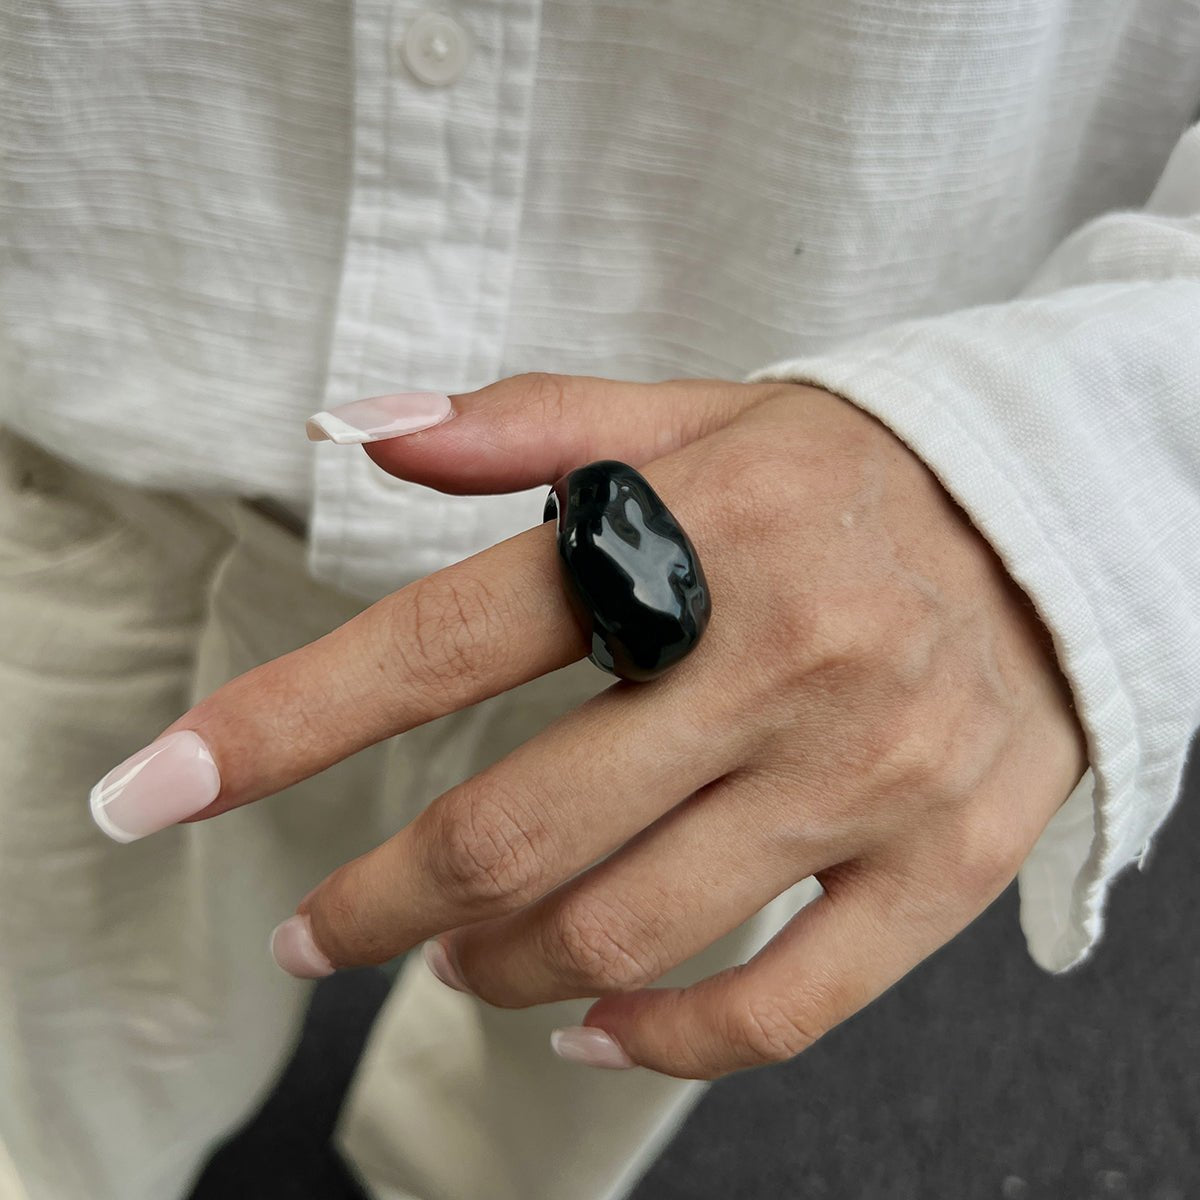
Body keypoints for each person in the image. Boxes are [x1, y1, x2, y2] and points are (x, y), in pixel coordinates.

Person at [2, 3, 1198, 1199]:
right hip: (97, 480)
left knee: (550, 1092)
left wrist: (1057, 474)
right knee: (68, 1081)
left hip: (806, 599)